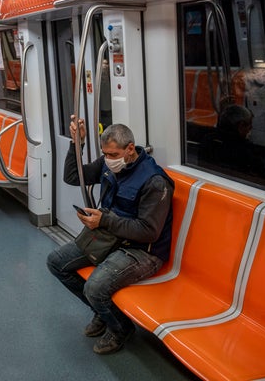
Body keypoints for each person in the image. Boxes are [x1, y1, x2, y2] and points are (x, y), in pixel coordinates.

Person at [46, 117, 174, 355]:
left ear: (130, 149)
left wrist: (104, 220)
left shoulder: (154, 181)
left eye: (114, 154)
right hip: (112, 237)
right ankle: (104, 313)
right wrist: (78, 143)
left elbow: (149, 232)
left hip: (142, 251)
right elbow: (74, 177)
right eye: (105, 154)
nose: (108, 160)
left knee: (94, 288)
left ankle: (120, 328)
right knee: (56, 263)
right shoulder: (110, 164)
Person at [198, 104, 265, 180]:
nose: (251, 128)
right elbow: (258, 180)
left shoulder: (207, 140)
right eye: (250, 124)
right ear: (241, 126)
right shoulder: (246, 151)